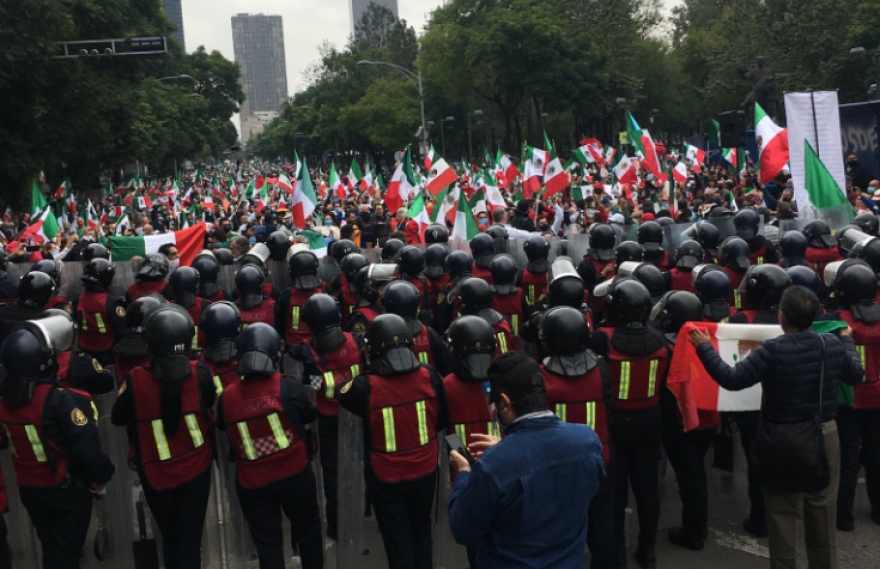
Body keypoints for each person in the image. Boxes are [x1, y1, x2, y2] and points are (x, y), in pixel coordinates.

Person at [689, 286, 864, 569]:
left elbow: (732, 379)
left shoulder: (772, 349)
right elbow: (856, 374)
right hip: (824, 434)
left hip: (780, 438)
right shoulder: (830, 345)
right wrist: (846, 343)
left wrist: (704, 348)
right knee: (821, 512)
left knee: (782, 518)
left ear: (783, 317)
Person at [447, 351, 605, 569]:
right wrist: (507, 450)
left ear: (504, 402)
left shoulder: (492, 466)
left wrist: (464, 473)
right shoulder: (588, 441)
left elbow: (462, 528)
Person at [0, 315, 115, 569]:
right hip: (65, 489)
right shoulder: (59, 400)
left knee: (51, 548)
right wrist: (102, 473)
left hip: (30, 490)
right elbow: (85, 446)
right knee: (67, 554)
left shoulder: (5, 405)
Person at [338, 314, 448, 569]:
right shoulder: (429, 375)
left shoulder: (365, 386)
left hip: (386, 476)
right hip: (426, 469)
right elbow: (441, 420)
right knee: (422, 532)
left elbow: (343, 393)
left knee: (397, 540)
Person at [111, 305, 216, 569]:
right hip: (197, 470)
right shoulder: (199, 372)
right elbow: (210, 399)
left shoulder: (136, 379)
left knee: (170, 540)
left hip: (155, 473)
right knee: (190, 542)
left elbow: (117, 417)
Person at [216, 323, 323, 569]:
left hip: (253, 482)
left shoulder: (227, 397)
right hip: (295, 474)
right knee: (308, 530)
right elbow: (309, 414)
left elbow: (222, 425)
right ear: (275, 354)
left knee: (268, 543)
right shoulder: (288, 385)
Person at [590, 278, 670, 568]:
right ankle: (647, 551)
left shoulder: (602, 338)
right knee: (648, 490)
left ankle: (619, 553)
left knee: (615, 492)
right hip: (650, 420)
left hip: (615, 424)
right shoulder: (660, 338)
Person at [538, 307, 615, 569]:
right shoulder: (602, 369)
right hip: (598, 463)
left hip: (557, 470)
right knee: (603, 531)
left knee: (559, 536)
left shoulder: (541, 377)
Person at [294, 293, 363, 541]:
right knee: (363, 465)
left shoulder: (308, 351)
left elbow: (312, 386)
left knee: (333, 477)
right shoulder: (356, 340)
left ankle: (336, 527)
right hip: (359, 414)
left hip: (329, 420)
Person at [655, 291, 718, 551]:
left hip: (680, 422)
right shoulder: (711, 341)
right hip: (710, 418)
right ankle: (698, 525)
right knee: (696, 474)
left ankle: (694, 532)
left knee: (689, 478)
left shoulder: (664, 347)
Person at [824, 260, 880, 530]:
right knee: (877, 456)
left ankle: (843, 516)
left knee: (847, 458)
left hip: (848, 399)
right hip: (878, 398)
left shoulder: (837, 322)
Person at [277, 250, 324, 346]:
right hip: (317, 346)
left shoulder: (287, 294)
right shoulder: (323, 291)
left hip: (292, 345)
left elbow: (280, 321)